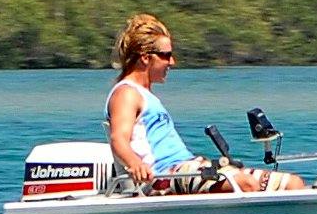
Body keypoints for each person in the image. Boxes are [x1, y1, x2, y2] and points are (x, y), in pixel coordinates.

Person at [105, 13, 303, 193]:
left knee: (293, 184)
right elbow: (118, 139)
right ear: (145, 57)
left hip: (188, 167)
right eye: (166, 55)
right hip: (164, 176)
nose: (172, 62)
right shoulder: (126, 93)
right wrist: (135, 164)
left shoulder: (147, 96)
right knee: (245, 184)